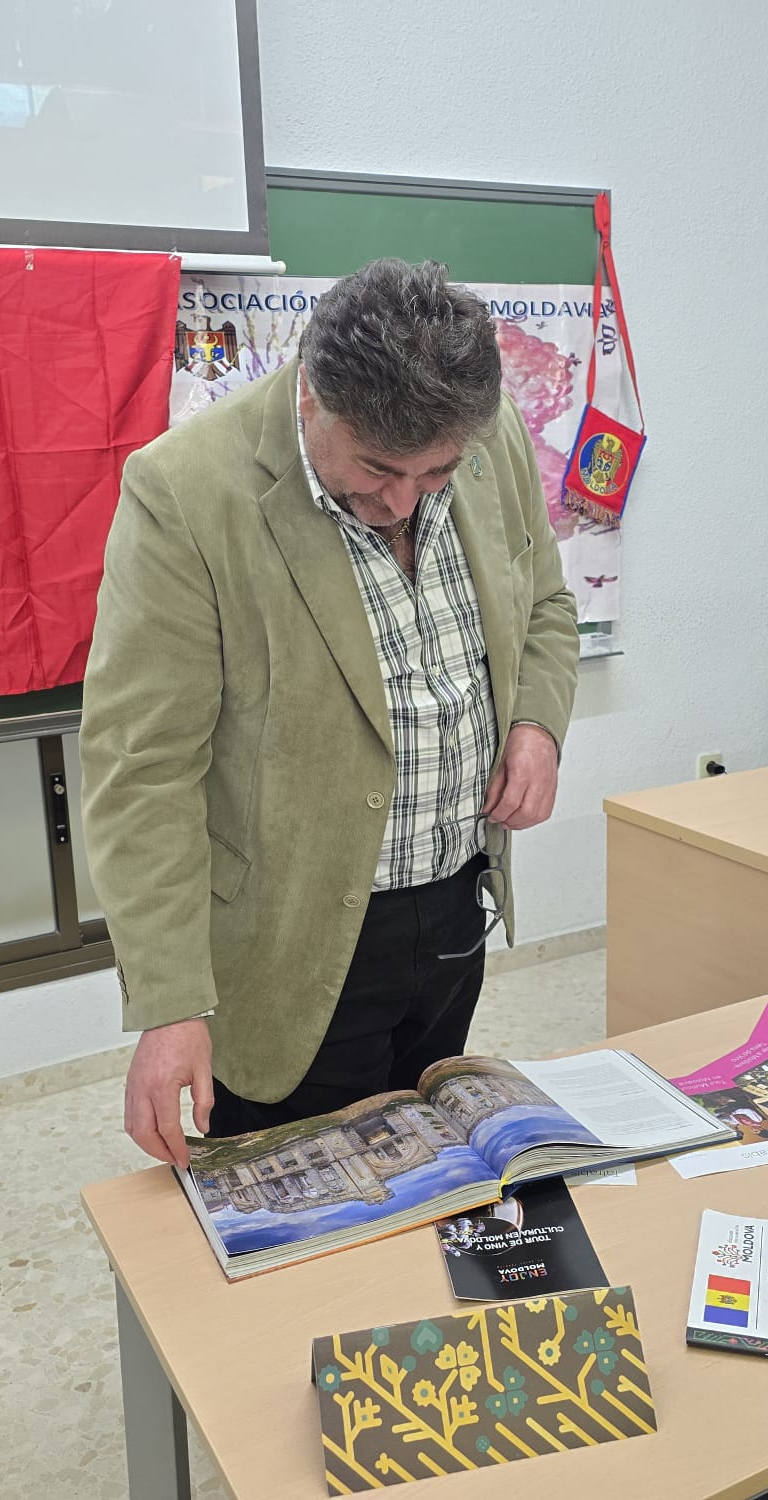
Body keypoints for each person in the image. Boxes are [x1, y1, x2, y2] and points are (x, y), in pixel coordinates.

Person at [81, 259, 580, 1167]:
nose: (403, 501)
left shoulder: (489, 431)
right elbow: (142, 768)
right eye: (377, 469)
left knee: (435, 1175)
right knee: (306, 1206)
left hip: (453, 900)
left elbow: (545, 601)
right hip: (289, 938)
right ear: (312, 393)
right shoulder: (187, 492)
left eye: (437, 473)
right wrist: (171, 1002)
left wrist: (536, 726)